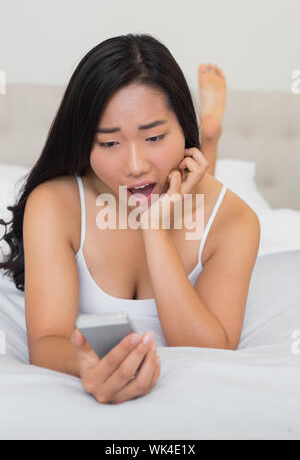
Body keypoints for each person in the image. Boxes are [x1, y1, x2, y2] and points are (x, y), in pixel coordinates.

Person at [0, 33, 260, 405]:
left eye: (154, 137)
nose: (135, 166)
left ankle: (210, 137)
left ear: (183, 128)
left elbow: (210, 350)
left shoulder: (236, 221)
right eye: (109, 144)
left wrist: (152, 227)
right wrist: (89, 366)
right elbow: (46, 342)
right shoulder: (55, 205)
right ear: (84, 143)